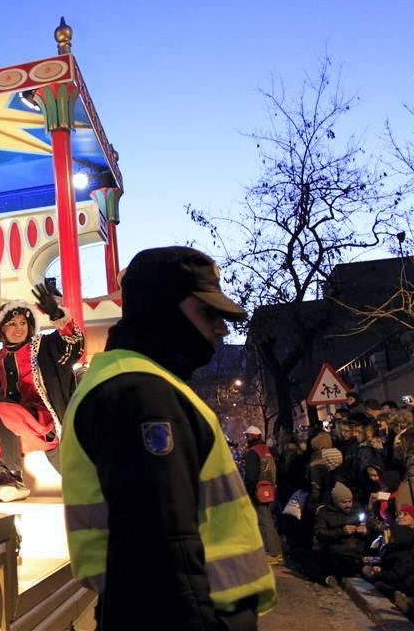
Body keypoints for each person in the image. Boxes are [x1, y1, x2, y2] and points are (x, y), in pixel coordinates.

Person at [61, 247, 276, 630]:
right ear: (163, 311)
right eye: (208, 312)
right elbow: (164, 552)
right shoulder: (141, 394)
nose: (221, 328)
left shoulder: (139, 384)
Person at [0, 281, 83, 502]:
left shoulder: (42, 346)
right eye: (12, 323)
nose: (19, 328)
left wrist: (57, 314)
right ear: (1, 329)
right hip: (13, 430)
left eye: (23, 322)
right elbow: (0, 396)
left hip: (44, 424)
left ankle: (14, 473)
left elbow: (74, 343)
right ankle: (5, 480)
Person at [243, 426, 284, 564]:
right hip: (268, 488)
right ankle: (270, 550)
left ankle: (273, 553)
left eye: (247, 436)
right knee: (266, 519)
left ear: (251, 437)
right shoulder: (266, 450)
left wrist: (248, 490)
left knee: (264, 521)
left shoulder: (252, 452)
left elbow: (251, 475)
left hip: (257, 490)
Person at [314, 482, 368, 586]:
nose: (348, 505)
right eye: (344, 502)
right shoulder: (324, 513)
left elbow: (366, 524)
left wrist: (365, 531)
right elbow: (320, 533)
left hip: (354, 551)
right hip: (335, 551)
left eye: (350, 501)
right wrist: (341, 531)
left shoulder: (356, 511)